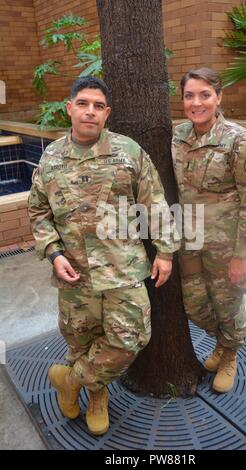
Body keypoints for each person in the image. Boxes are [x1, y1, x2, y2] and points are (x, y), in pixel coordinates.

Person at [28, 76, 179, 435]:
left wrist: (166, 251)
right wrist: (53, 253)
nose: (90, 112)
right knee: (80, 339)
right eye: (83, 103)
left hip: (123, 270)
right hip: (74, 275)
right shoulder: (50, 159)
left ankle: (70, 381)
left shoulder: (128, 151)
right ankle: (97, 396)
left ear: (107, 113)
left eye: (98, 106)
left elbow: (154, 203)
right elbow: (38, 212)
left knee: (132, 338)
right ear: (70, 108)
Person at [172, 68, 246, 393]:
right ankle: (223, 343)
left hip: (225, 245)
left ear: (218, 98)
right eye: (189, 95)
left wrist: (241, 256)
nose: (196, 102)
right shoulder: (177, 136)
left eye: (204, 95)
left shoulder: (238, 140)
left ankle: (230, 355)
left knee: (227, 304)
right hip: (190, 241)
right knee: (195, 304)